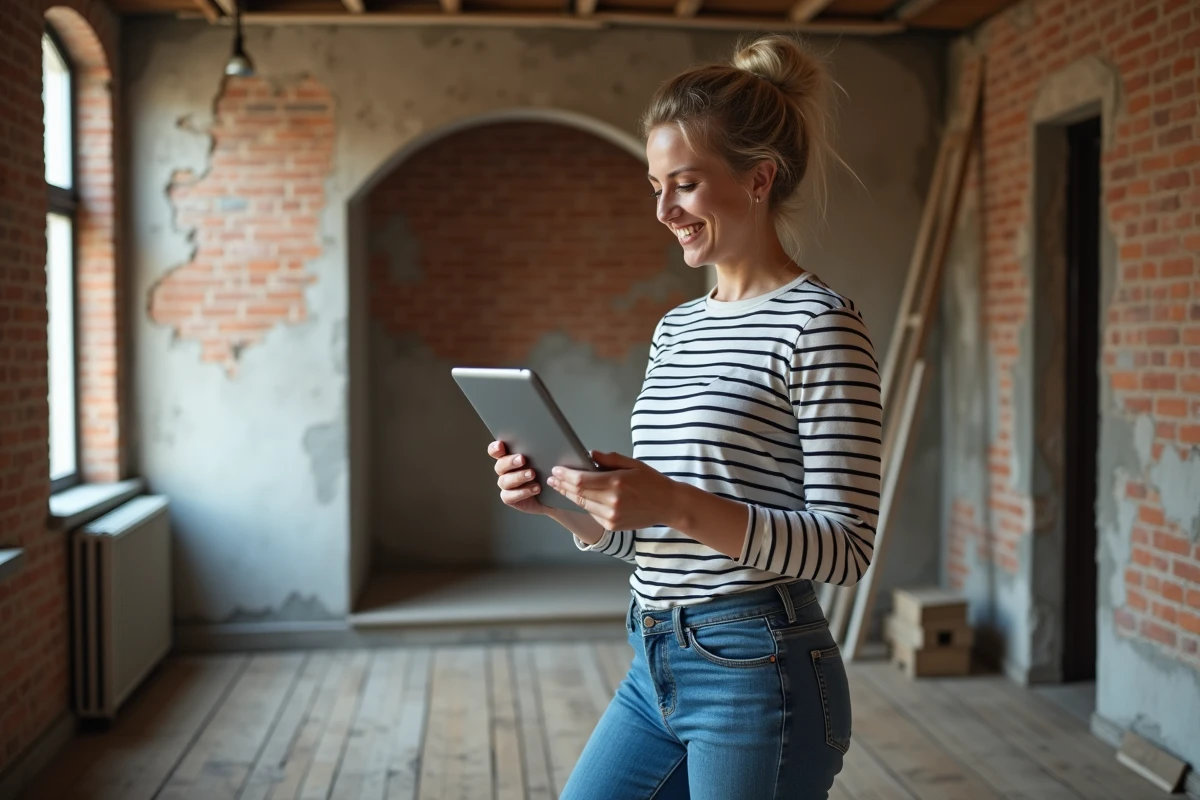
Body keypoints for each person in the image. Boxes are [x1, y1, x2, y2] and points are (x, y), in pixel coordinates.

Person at [487, 33, 881, 800]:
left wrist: (671, 499)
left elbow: (847, 547)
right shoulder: (679, 327)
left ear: (760, 178)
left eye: (687, 184)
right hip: (656, 654)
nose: (664, 210)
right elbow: (656, 536)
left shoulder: (820, 326)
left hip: (759, 666)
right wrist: (568, 508)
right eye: (656, 185)